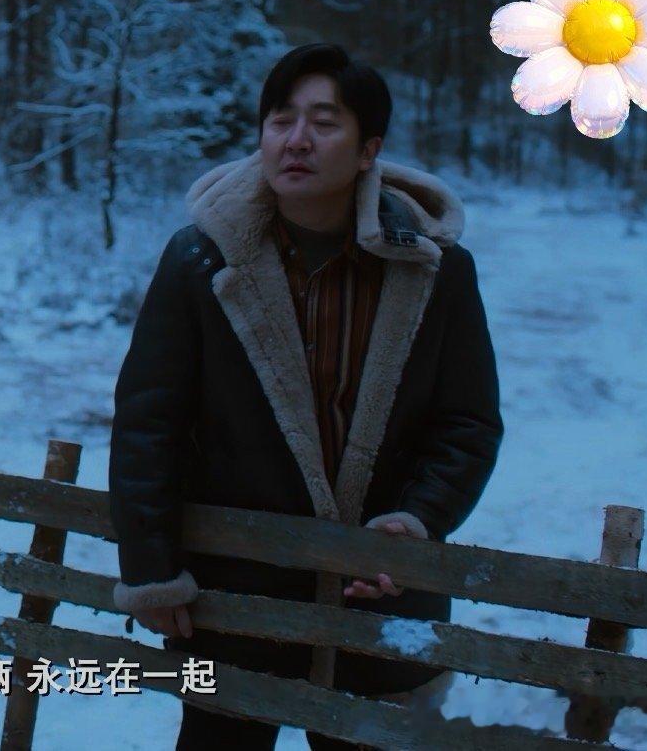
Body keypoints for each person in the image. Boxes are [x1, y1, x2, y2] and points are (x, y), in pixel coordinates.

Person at [107, 43, 502, 750]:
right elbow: (148, 425)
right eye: (280, 120)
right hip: (233, 592)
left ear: (368, 149)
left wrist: (415, 523)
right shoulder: (200, 259)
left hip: (379, 596)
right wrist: (152, 573)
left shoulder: (433, 270)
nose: (296, 140)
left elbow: (467, 423)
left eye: (324, 122)